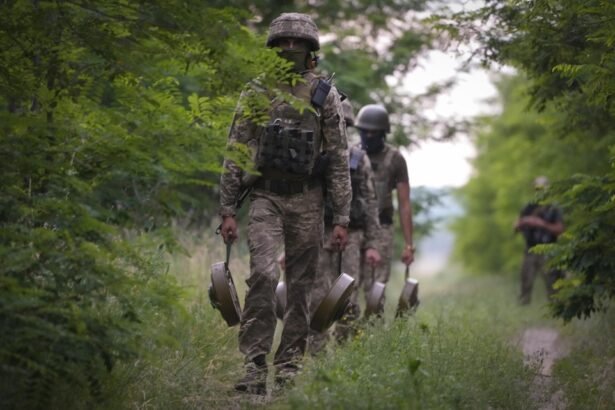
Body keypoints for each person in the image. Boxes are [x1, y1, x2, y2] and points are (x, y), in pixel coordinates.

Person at [218, 13, 351, 395]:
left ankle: (290, 366)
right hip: (266, 197)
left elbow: (339, 158)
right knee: (262, 274)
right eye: (284, 42)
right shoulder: (256, 92)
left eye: (298, 42)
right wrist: (227, 209)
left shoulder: (325, 95)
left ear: (311, 49)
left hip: (308, 200)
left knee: (301, 287)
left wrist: (341, 216)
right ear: (274, 47)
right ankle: (255, 364)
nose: (291, 48)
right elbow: (236, 150)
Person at [307, 99, 381, 354]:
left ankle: (345, 351)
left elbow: (371, 204)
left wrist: (371, 244)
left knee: (347, 296)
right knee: (317, 295)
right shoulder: (314, 156)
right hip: (318, 231)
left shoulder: (359, 159)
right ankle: (316, 352)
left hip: (352, 236)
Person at [355, 104, 415, 304]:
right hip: (354, 226)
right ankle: (346, 334)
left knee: (376, 287)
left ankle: (372, 331)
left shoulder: (395, 159)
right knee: (349, 284)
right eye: (365, 131)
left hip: (382, 227)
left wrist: (408, 245)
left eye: (374, 132)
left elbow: (405, 204)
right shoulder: (351, 154)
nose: (369, 136)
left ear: (383, 133)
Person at [514, 176, 565, 305]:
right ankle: (524, 308)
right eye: (537, 189)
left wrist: (541, 224)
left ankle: (556, 308)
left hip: (549, 250)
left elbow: (560, 229)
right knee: (526, 281)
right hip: (530, 249)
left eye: (542, 189)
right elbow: (516, 226)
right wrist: (523, 222)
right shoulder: (528, 208)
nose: (540, 192)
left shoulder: (554, 209)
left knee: (553, 283)